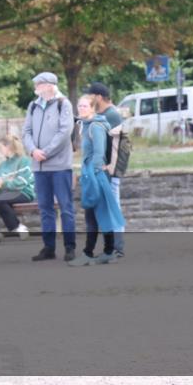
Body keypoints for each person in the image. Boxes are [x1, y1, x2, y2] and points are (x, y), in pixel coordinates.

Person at [22, 72, 76, 263]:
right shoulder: (33, 105)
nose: (35, 87)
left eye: (39, 84)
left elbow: (64, 132)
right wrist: (32, 150)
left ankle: (70, 247)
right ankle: (49, 247)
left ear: (49, 86)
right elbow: (26, 131)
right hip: (39, 166)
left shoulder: (64, 104)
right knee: (45, 208)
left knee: (65, 207)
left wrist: (46, 151)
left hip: (59, 165)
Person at [69, 95, 125, 266]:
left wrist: (91, 174)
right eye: (79, 105)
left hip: (96, 176)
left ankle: (89, 253)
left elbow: (99, 153)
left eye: (85, 106)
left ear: (93, 108)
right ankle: (108, 251)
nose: (81, 108)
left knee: (93, 215)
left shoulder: (95, 126)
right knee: (100, 214)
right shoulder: (85, 125)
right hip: (93, 175)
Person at [86, 82, 125, 258]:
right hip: (106, 171)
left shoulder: (112, 116)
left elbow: (118, 146)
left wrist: (110, 167)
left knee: (112, 207)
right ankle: (112, 247)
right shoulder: (104, 115)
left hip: (111, 172)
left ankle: (117, 248)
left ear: (99, 97)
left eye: (91, 96)